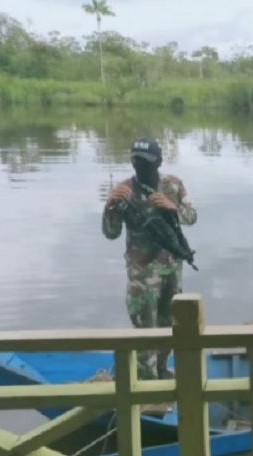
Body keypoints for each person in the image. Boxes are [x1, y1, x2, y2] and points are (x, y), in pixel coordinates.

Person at [103, 137, 197, 381]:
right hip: (142, 273)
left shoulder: (173, 185)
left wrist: (171, 207)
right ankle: (146, 385)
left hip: (172, 269)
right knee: (145, 328)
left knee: (170, 323)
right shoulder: (124, 191)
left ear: (158, 162)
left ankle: (162, 370)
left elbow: (192, 216)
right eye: (136, 160)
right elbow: (111, 233)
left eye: (145, 161)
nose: (140, 165)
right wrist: (110, 205)